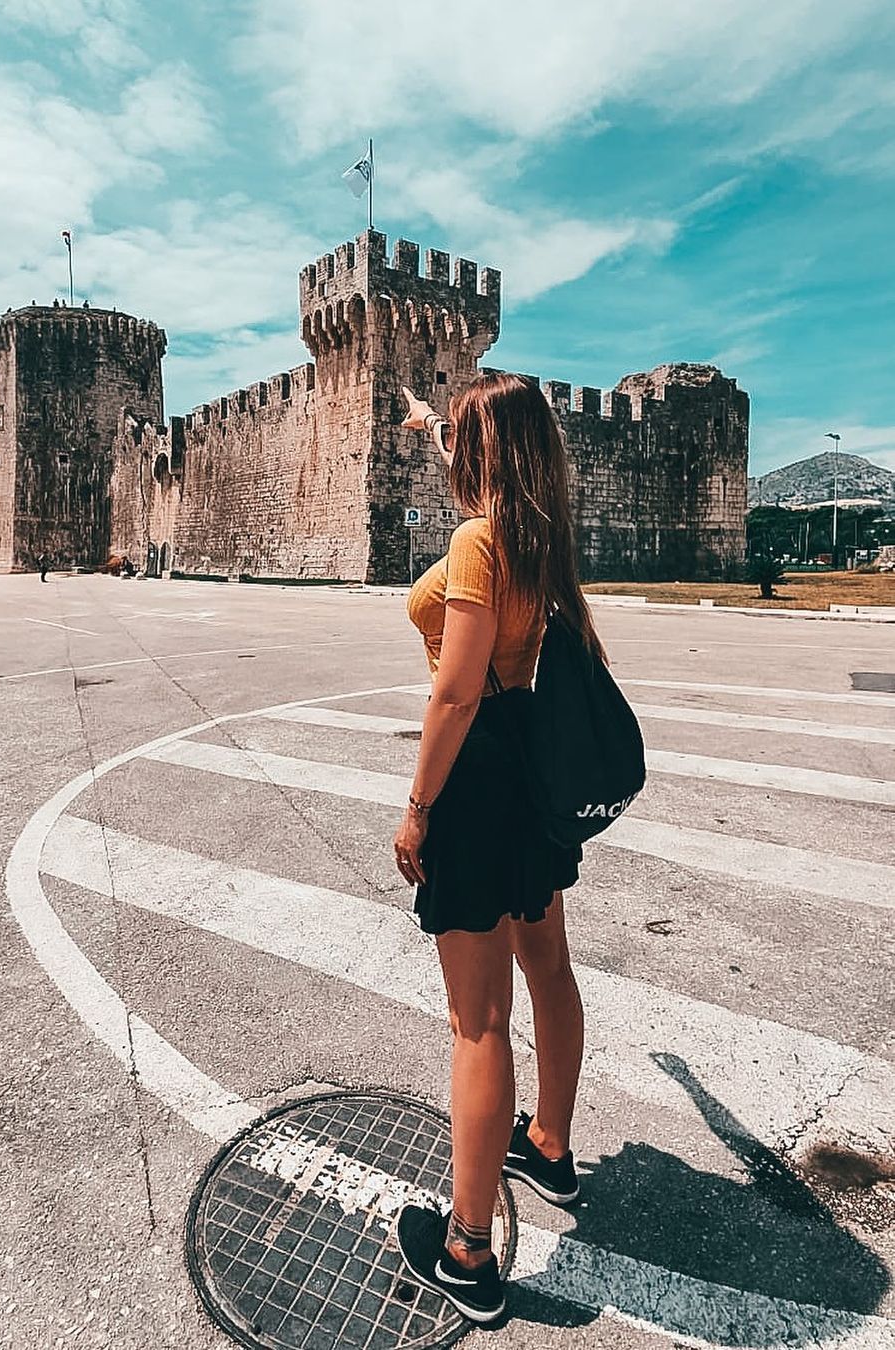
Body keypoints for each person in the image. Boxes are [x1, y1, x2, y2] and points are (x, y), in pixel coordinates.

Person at [394, 373, 606, 1325]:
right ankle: (550, 1148)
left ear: (489, 455)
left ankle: (468, 1251)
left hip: (476, 780)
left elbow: (455, 693)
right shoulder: (536, 535)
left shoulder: (478, 542)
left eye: (465, 441)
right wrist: (433, 424)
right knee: (550, 972)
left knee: (477, 1021)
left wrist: (415, 806)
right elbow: (475, 471)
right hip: (529, 774)